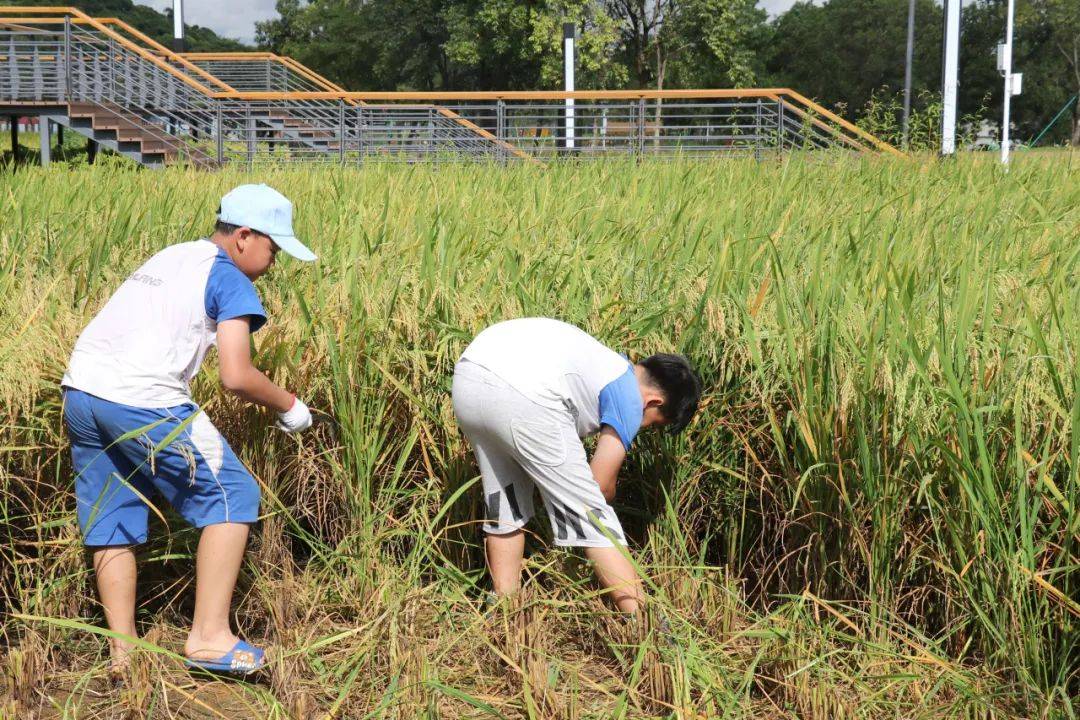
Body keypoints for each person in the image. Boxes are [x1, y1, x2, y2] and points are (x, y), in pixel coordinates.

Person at [61, 184, 317, 676]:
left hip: (81, 390)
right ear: (244, 236)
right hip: (142, 399)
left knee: (112, 513)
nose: (275, 260)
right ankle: (208, 638)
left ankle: (123, 652)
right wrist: (291, 406)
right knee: (233, 493)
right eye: (274, 247)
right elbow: (236, 375)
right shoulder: (232, 280)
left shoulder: (174, 255)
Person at [451, 318, 702, 613]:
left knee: (506, 506)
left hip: (469, 379)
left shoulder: (605, 363)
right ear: (654, 402)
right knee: (593, 518)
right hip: (527, 396)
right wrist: (601, 499)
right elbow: (599, 482)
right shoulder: (630, 396)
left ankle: (503, 610)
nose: (643, 428)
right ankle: (648, 626)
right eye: (653, 425)